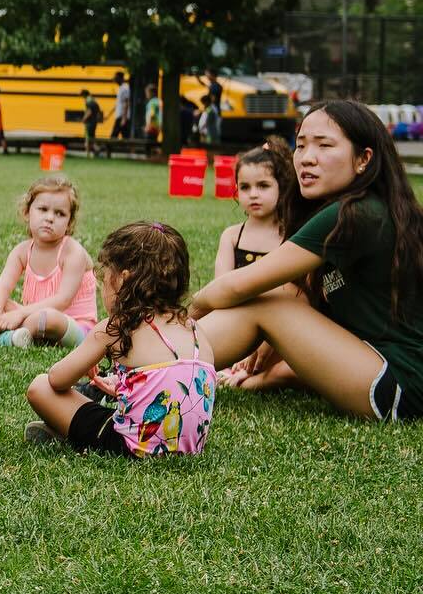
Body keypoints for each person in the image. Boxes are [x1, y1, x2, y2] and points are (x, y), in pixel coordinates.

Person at [190, 99, 423, 422]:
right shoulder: (357, 209)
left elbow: (243, 284)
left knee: (266, 302)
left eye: (324, 145)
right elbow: (296, 293)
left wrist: (187, 310)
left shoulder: (356, 213)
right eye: (300, 146)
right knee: (279, 298)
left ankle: (154, 362)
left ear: (363, 159)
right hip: (375, 368)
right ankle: (153, 365)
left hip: (399, 384)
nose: (306, 158)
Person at [25, 221, 217, 456]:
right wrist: (126, 387)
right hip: (190, 447)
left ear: (122, 280)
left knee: (39, 387)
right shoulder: (196, 330)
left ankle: (68, 435)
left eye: (104, 280)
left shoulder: (118, 326)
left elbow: (57, 380)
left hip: (132, 447)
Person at [212, 138, 302, 392]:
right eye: (245, 187)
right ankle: (232, 369)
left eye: (263, 186)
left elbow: (292, 297)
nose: (253, 194)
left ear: (282, 188)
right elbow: (222, 289)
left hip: (278, 332)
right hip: (237, 324)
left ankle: (252, 378)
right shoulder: (232, 235)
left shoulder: (291, 237)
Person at [0, 176, 97, 348]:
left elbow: (63, 300)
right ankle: (13, 334)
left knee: (46, 317)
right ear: (27, 212)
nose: (50, 218)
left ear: (69, 222)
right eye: (43, 209)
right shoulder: (22, 251)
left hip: (72, 326)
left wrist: (20, 313)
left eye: (60, 213)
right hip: (32, 318)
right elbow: (2, 286)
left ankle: (5, 337)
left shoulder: (73, 252)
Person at [81, 89, 103, 157]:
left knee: (88, 138)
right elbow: (98, 111)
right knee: (92, 137)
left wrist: (84, 119)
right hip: (94, 122)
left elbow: (89, 111)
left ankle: (88, 154)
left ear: (84, 95)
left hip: (89, 122)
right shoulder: (94, 100)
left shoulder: (88, 101)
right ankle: (97, 150)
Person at [110, 71, 131, 140]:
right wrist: (109, 114)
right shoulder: (121, 88)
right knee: (126, 136)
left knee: (113, 135)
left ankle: (108, 150)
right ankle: (132, 150)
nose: (114, 79)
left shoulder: (125, 88)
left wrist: (124, 118)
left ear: (120, 78)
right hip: (120, 116)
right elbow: (118, 104)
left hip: (122, 116)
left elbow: (126, 102)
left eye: (116, 78)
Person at [143, 83, 162, 154]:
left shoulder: (152, 102)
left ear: (152, 93)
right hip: (157, 125)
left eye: (147, 92)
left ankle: (151, 156)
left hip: (152, 126)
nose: (146, 94)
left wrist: (148, 125)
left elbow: (152, 114)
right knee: (154, 142)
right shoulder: (158, 101)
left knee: (149, 144)